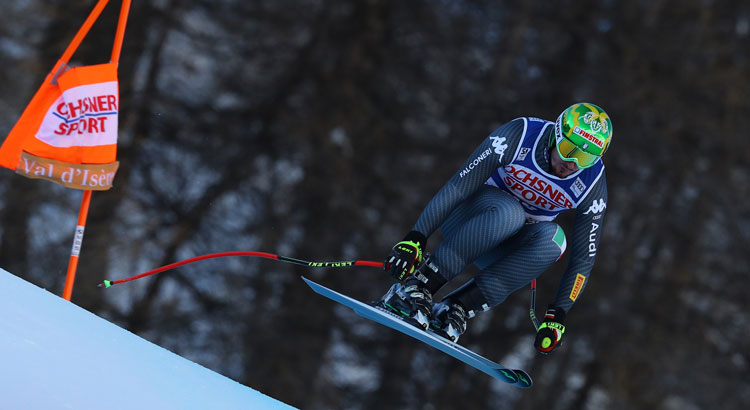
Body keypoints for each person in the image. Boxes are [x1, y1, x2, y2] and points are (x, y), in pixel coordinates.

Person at [380, 103, 611, 354]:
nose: (571, 163)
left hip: (505, 243)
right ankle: (419, 285)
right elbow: (458, 186)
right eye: (568, 149)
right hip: (467, 218)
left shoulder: (592, 182)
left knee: (555, 240)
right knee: (510, 213)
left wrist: (559, 313)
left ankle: (457, 307)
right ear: (556, 134)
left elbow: (583, 258)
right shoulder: (521, 134)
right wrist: (416, 237)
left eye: (585, 158)